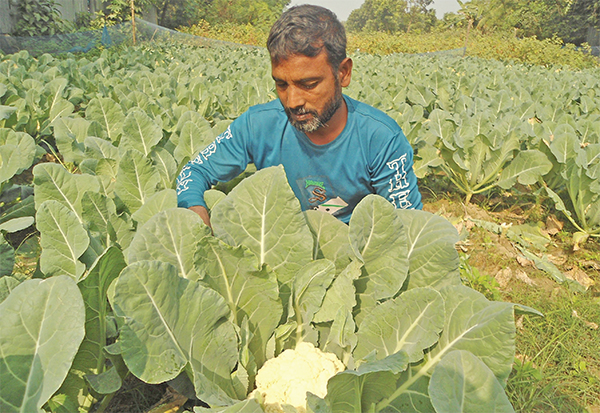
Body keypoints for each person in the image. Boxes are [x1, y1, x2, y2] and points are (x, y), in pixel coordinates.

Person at [176, 4, 422, 226]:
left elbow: (410, 225)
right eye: (282, 84)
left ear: (343, 73)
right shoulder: (257, 125)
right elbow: (194, 172)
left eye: (309, 84)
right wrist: (196, 212)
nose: (292, 102)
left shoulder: (381, 139)